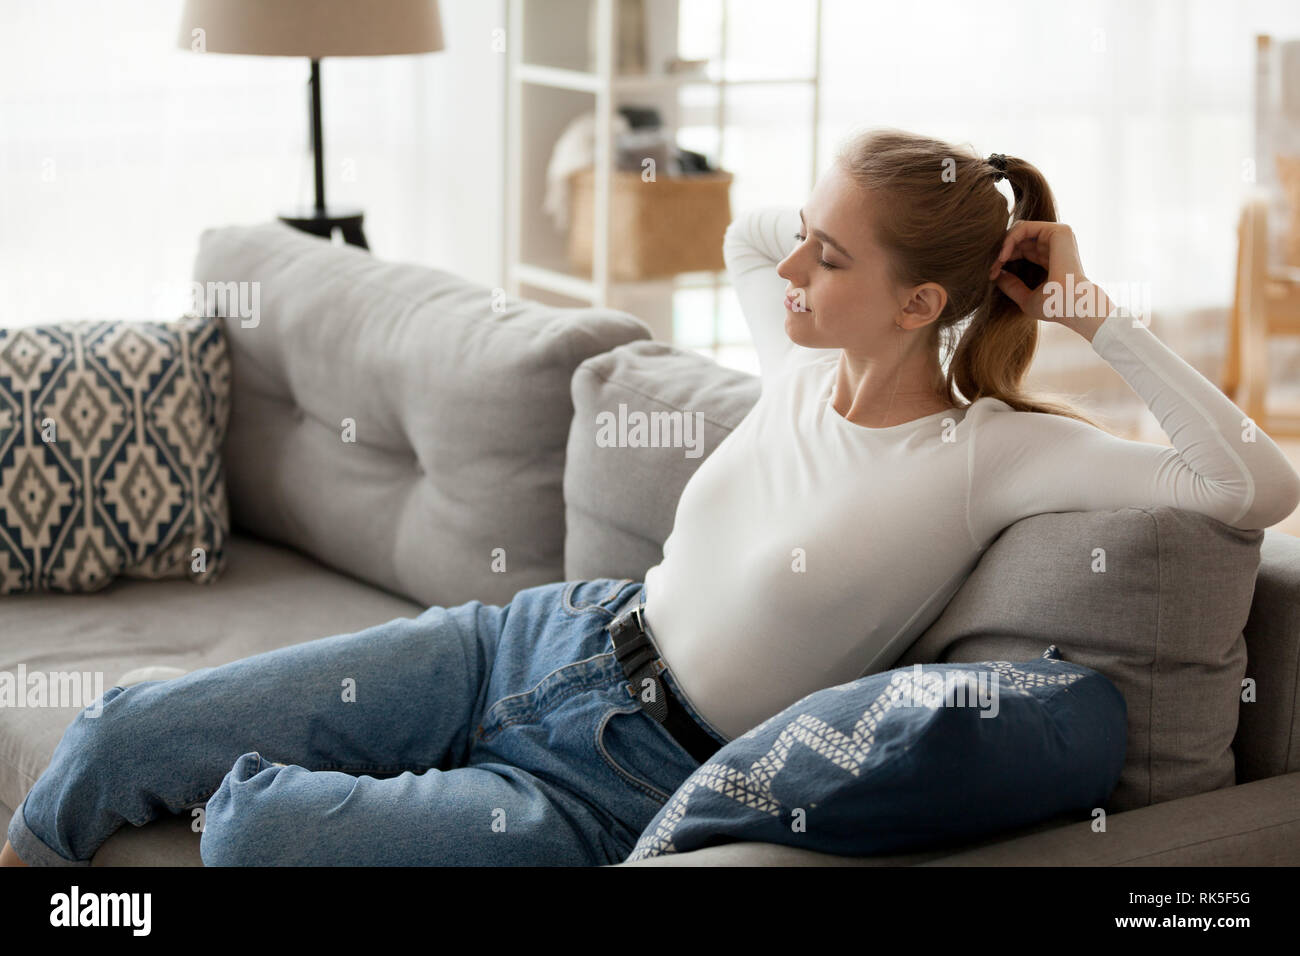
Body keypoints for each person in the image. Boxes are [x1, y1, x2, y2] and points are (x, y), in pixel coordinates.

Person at [4, 127, 1298, 866]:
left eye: (829, 253)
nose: (788, 262)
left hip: (620, 785)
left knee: (249, 839)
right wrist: (905, 192)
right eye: (807, 231)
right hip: (528, 638)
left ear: (918, 303)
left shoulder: (992, 454)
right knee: (123, 732)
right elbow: (744, 237)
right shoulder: (796, 351)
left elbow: (1254, 481)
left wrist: (1085, 309)